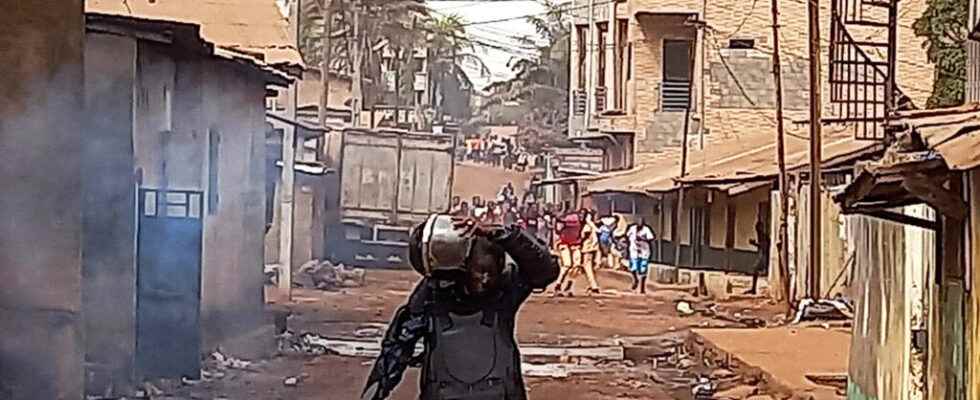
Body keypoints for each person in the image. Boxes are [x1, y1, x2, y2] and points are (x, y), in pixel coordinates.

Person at [360, 214, 559, 400]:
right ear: (462, 266)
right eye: (480, 271)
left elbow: (546, 269)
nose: (485, 278)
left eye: (490, 271)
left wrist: (501, 233)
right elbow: (398, 347)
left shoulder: (505, 289)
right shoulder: (434, 292)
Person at [552, 209, 584, 296]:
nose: (582, 216)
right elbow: (558, 230)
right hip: (565, 244)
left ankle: (569, 287)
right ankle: (558, 285)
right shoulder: (568, 219)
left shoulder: (584, 223)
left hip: (575, 244)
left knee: (576, 266)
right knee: (567, 265)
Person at [626, 218, 656, 294]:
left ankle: (642, 288)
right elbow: (626, 236)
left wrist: (643, 239)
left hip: (644, 252)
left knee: (643, 270)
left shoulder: (646, 230)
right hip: (634, 251)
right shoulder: (632, 228)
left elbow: (651, 238)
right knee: (633, 268)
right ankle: (635, 279)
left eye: (641, 226)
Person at [578, 209, 602, 295]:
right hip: (591, 247)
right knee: (588, 267)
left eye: (582, 214)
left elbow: (584, 237)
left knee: (587, 267)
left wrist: (578, 242)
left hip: (588, 248)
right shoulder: (590, 225)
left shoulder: (587, 226)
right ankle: (592, 284)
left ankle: (594, 286)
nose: (580, 216)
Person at [748, 213, 770, 295]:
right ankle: (753, 289)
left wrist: (754, 244)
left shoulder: (762, 235)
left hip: (764, 255)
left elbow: (764, 246)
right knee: (755, 270)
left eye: (757, 228)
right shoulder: (760, 235)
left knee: (755, 270)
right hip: (763, 254)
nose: (756, 230)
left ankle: (753, 289)